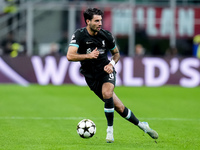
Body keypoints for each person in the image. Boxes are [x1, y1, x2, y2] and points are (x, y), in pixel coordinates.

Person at [66, 8, 158, 143]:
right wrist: (88, 56)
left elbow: (116, 54)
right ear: (88, 21)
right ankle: (143, 126)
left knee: (107, 93)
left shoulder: (106, 35)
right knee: (120, 108)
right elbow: (70, 55)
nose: (100, 23)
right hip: (91, 77)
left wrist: (111, 65)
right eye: (96, 21)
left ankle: (110, 132)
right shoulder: (79, 35)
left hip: (106, 71)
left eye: (101, 20)